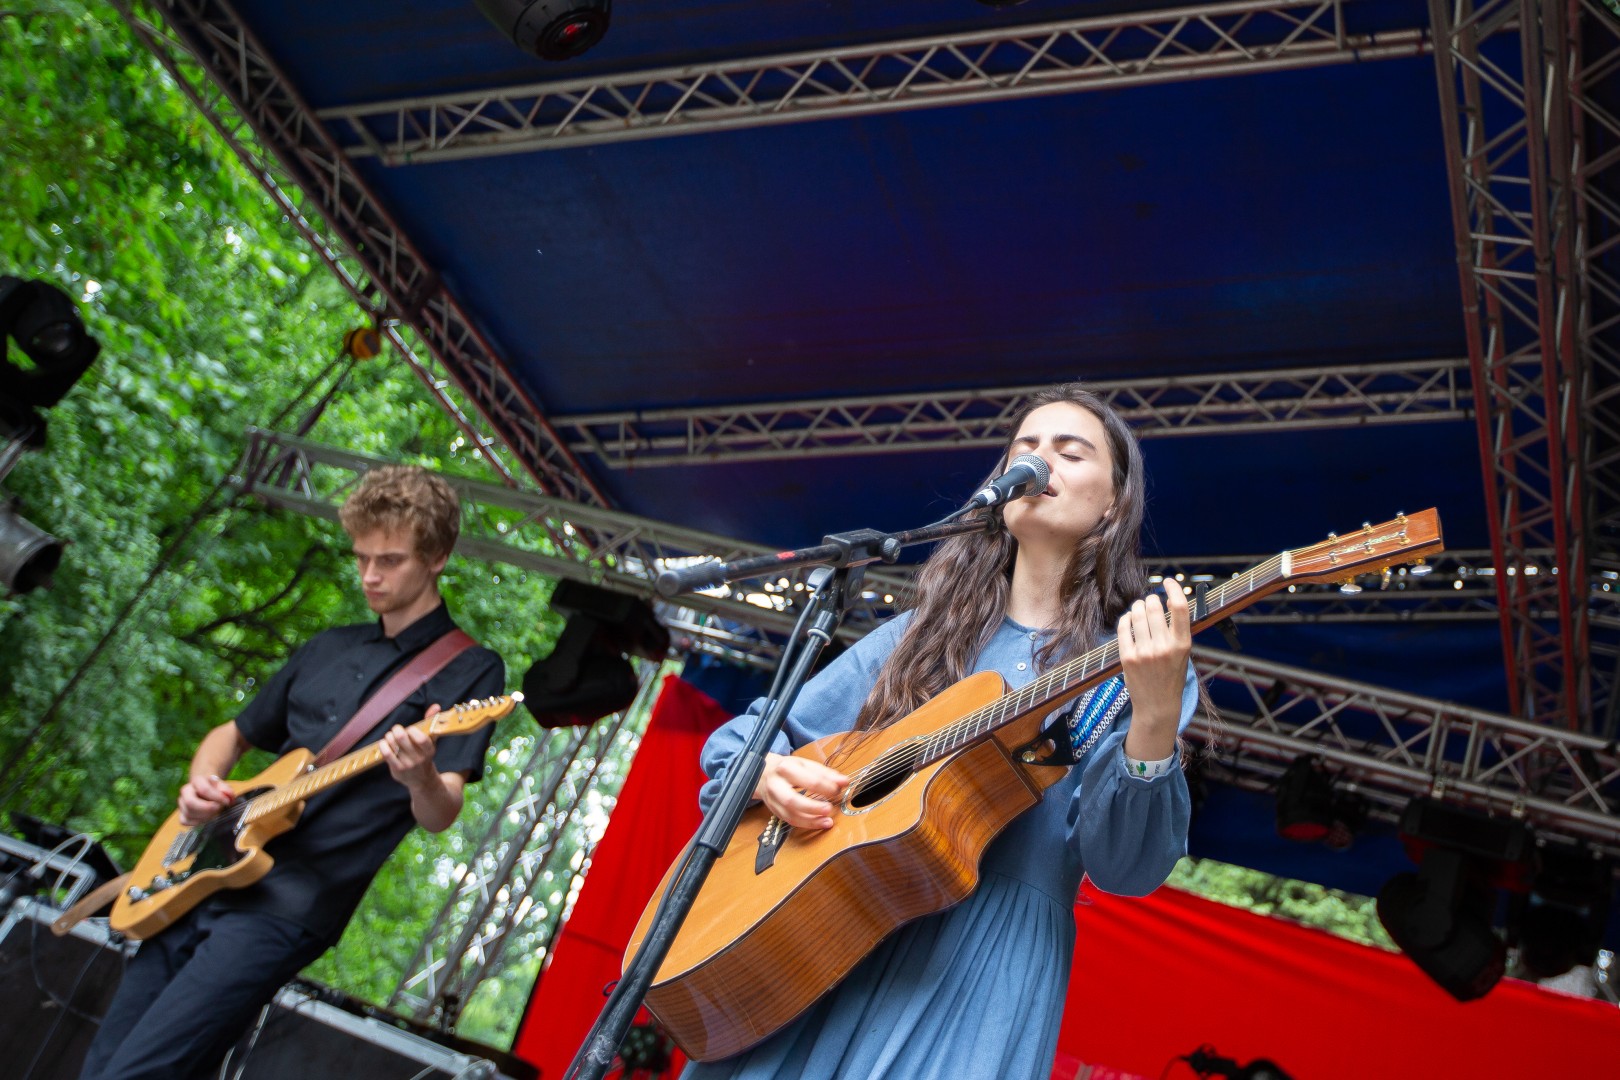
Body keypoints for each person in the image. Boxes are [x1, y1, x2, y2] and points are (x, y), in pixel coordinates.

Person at [687, 384, 1199, 1080]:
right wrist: (768, 774)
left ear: (1112, 502)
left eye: (1069, 452)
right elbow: (752, 737)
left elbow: (1126, 868)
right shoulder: (920, 635)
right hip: (827, 919)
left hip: (981, 965)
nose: (1039, 460)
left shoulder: (1135, 662)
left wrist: (1159, 716)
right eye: (1025, 447)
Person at [81, 466, 505, 1080]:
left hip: (288, 905)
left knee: (143, 1072)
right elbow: (230, 735)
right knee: (102, 1064)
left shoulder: (471, 671)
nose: (369, 577)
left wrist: (418, 776)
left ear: (437, 557)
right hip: (199, 872)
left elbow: (441, 814)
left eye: (389, 560)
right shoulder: (329, 645)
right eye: (360, 557)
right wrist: (200, 789)